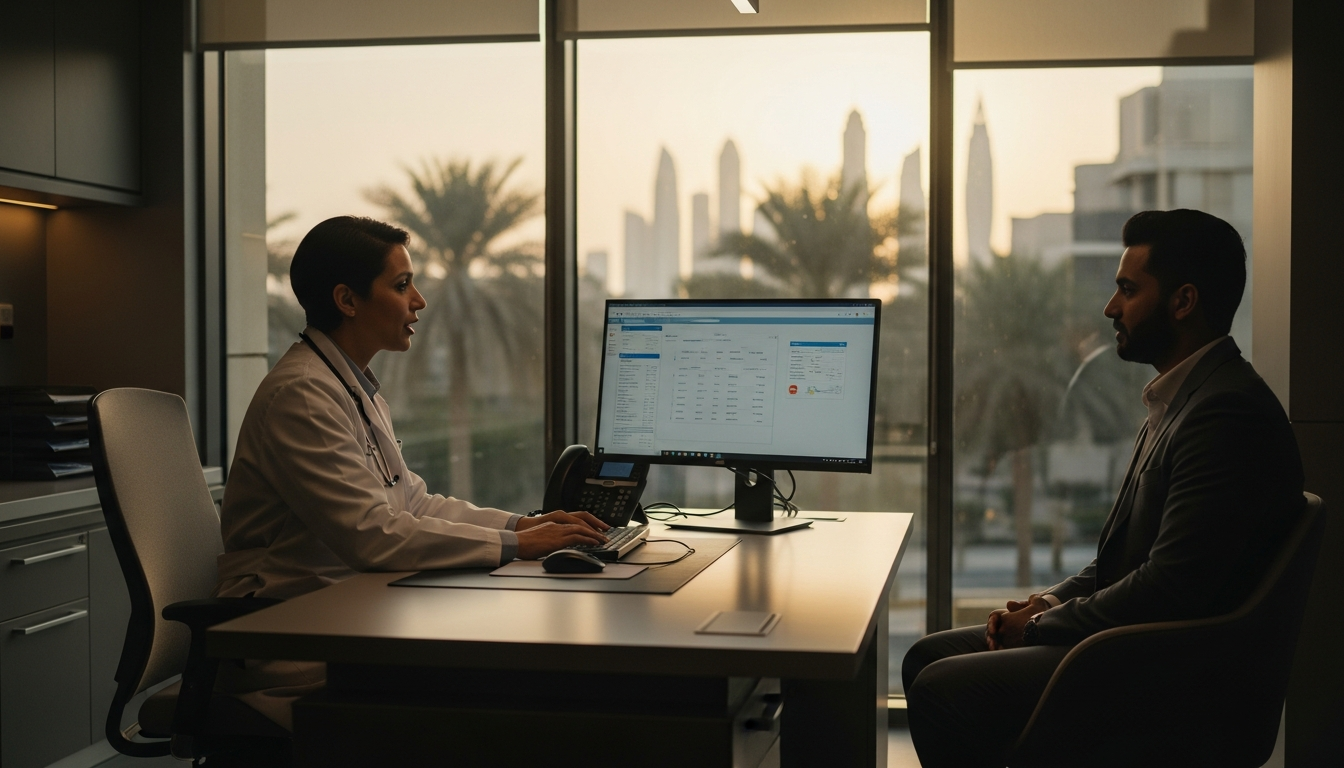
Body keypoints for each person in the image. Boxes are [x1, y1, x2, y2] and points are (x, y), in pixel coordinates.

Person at [901, 209, 1305, 767]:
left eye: (1127, 289)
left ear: (1183, 302)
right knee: (925, 657)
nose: (1110, 308)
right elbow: (1123, 560)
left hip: (1162, 675)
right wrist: (1048, 602)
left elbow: (1168, 587)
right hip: (1130, 647)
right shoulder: (1182, 400)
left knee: (939, 688)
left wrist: (1040, 625)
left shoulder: (1225, 414)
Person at [213, 216, 609, 728]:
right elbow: (374, 536)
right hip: (292, 630)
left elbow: (412, 503)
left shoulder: (347, 384)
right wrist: (518, 547)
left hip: (347, 607)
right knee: (502, 686)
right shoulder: (303, 395)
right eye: (402, 286)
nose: (419, 300)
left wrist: (520, 526)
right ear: (347, 300)